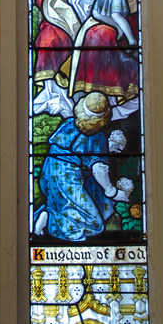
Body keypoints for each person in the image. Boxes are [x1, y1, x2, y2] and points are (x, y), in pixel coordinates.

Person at [33, 92, 130, 241]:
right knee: (95, 223)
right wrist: (113, 192)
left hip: (48, 171)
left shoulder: (68, 123)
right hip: (67, 179)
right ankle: (51, 220)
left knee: (64, 202)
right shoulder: (97, 137)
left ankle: (47, 213)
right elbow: (98, 169)